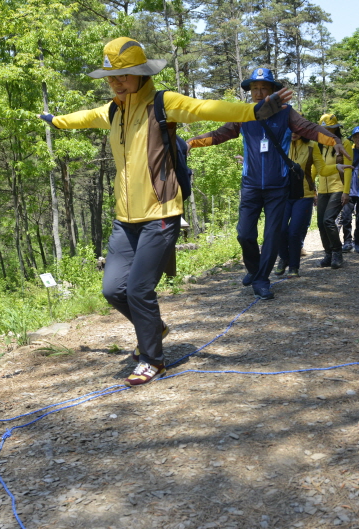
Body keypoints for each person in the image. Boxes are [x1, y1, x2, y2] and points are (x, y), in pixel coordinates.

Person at [41, 40, 294, 384]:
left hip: (160, 213)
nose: (116, 82)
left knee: (138, 290)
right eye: (111, 77)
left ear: (141, 74)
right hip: (125, 218)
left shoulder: (164, 103)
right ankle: (154, 328)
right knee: (113, 290)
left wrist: (254, 111)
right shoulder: (113, 110)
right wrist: (56, 121)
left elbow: (207, 108)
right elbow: (83, 117)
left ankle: (152, 359)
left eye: (124, 75)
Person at [189, 69, 348, 292]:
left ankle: (262, 280)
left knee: (272, 235)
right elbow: (220, 134)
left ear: (273, 90)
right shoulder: (243, 114)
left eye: (264, 87)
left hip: (278, 186)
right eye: (254, 88)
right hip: (251, 185)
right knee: (244, 234)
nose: (258, 92)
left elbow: (308, 128)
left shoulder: (286, 112)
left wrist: (333, 139)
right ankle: (254, 270)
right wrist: (191, 142)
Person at [276, 132, 324, 277]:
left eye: (297, 130)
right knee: (280, 229)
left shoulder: (312, 146)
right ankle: (284, 258)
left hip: (304, 195)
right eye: (290, 129)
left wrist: (338, 167)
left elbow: (322, 169)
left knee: (294, 232)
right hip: (283, 194)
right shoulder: (281, 145)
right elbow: (267, 162)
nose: (294, 133)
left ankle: (294, 267)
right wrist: (248, 161)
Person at [313, 113, 351, 269]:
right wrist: (308, 186)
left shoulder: (345, 143)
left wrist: (346, 191)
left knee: (329, 220)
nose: (327, 132)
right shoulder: (318, 145)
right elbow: (315, 168)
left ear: (336, 130)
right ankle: (328, 253)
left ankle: (337, 252)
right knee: (321, 223)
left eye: (330, 129)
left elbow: (348, 169)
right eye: (324, 129)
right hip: (322, 189)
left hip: (338, 187)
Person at [339, 126, 359, 254]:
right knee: (346, 217)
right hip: (349, 188)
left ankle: (357, 243)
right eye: (356, 137)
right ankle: (347, 242)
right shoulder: (348, 151)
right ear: (352, 139)